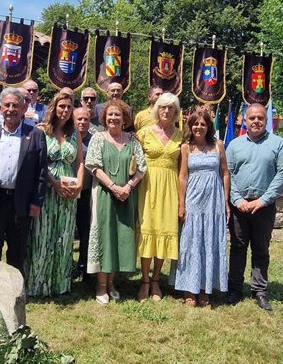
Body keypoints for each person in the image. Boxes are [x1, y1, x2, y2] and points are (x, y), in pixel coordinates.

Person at [226, 104, 283, 311]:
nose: (256, 121)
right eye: (252, 118)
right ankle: (234, 289)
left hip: (264, 207)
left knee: (261, 249)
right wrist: (237, 200)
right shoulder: (235, 145)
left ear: (266, 120)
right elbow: (228, 174)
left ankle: (260, 291)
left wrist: (263, 200)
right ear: (245, 120)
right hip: (240, 206)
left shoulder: (278, 144)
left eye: (260, 118)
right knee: (237, 248)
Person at [0, 88, 48, 274]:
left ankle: (14, 293)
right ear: (0, 108)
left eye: (15, 105)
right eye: (7, 105)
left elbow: (41, 172)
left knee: (17, 252)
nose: (11, 109)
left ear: (24, 108)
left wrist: (36, 201)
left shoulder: (35, 135)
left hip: (21, 202)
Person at [85, 100, 146, 303]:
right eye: (110, 115)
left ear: (124, 118)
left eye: (117, 115)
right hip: (104, 194)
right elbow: (93, 165)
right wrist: (113, 187)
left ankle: (112, 282)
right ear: (104, 117)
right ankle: (101, 285)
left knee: (120, 237)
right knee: (105, 236)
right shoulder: (98, 139)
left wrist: (128, 187)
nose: (113, 118)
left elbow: (142, 168)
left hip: (126, 196)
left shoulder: (133, 141)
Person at [25, 91, 84, 297]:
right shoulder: (41, 130)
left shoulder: (74, 132)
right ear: (54, 107)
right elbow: (39, 163)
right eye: (62, 106)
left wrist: (80, 183)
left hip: (68, 191)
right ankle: (38, 284)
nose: (65, 110)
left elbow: (80, 161)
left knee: (63, 234)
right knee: (43, 234)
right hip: (47, 188)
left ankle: (60, 283)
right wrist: (54, 183)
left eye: (69, 107)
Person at [175, 108, 230, 307]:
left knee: (210, 242)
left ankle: (206, 288)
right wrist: (182, 203)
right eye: (196, 124)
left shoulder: (218, 145)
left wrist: (225, 201)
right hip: (193, 200)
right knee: (191, 242)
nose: (199, 127)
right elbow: (182, 176)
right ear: (190, 126)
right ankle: (189, 288)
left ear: (209, 127)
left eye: (203, 124)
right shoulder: (185, 148)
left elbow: (225, 173)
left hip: (214, 202)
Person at [135, 92, 182, 302]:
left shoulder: (181, 135)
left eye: (170, 107)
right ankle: (144, 280)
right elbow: (132, 160)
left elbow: (184, 169)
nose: (166, 111)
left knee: (165, 230)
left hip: (170, 188)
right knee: (148, 231)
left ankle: (156, 280)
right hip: (148, 187)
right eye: (162, 107)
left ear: (176, 111)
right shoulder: (143, 133)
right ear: (156, 109)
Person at [72, 107, 93, 279]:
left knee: (85, 233)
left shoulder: (95, 140)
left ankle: (83, 265)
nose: (82, 122)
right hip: (66, 193)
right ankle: (67, 265)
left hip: (86, 193)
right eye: (79, 119)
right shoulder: (67, 137)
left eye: (85, 119)